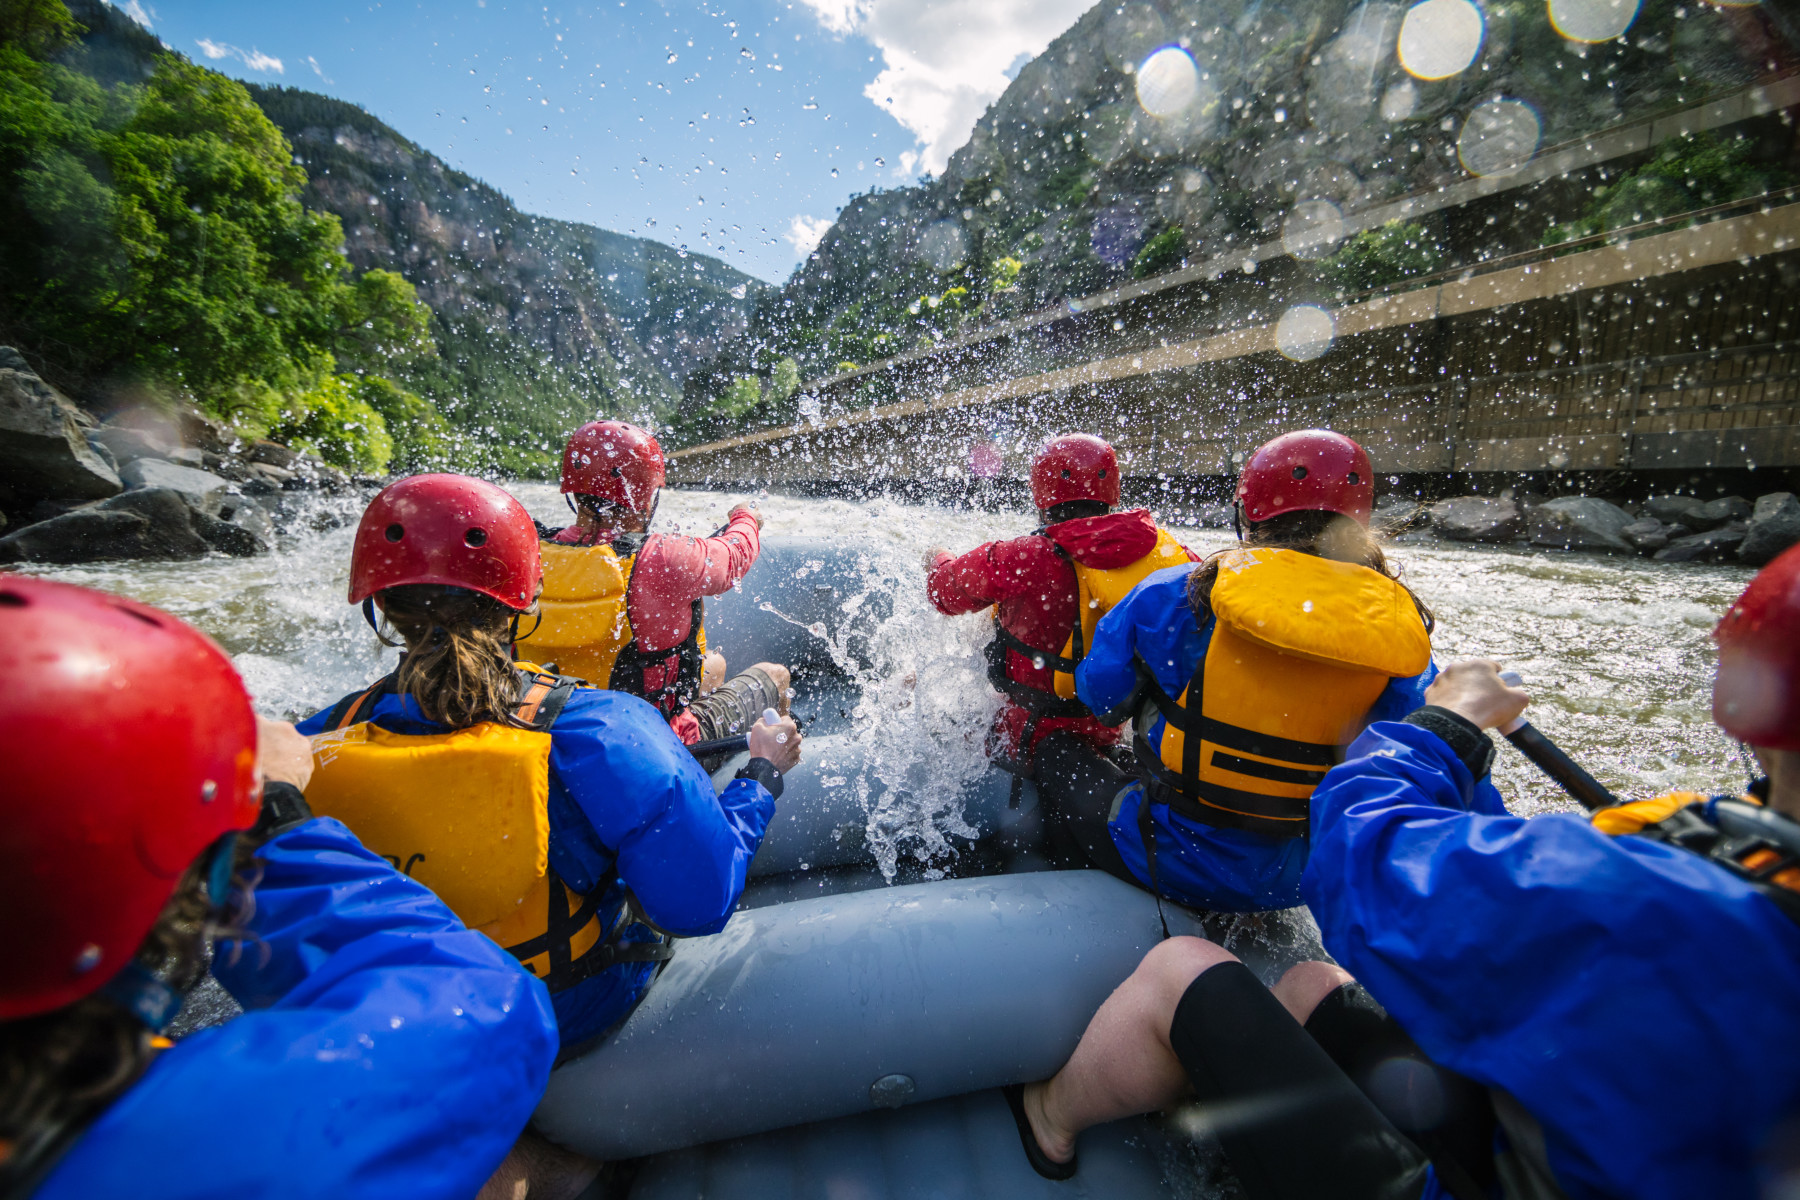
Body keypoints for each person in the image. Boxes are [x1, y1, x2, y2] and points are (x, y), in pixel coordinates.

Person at [1008, 545, 1800, 1200]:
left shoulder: (1667, 895)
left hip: (1485, 1177)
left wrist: (1449, 727)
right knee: (1312, 986)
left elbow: (1364, 861)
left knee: (1185, 969)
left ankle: (1048, 1122)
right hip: (1566, 1156)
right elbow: (1481, 829)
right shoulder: (1396, 656)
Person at [0, 575, 561, 1200]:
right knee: (526, 1171)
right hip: (564, 1021)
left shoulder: (342, 720)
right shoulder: (201, 1134)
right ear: (520, 600)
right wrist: (275, 819)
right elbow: (492, 1004)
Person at [299, 472, 801, 1060]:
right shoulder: (608, 731)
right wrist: (760, 779)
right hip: (561, 1007)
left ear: (380, 602)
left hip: (380, 1017)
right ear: (524, 597)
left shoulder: (315, 739)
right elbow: (700, 903)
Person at [1053, 429, 1436, 913]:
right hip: (1301, 876)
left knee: (1056, 751)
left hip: (1170, 856)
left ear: (1247, 514)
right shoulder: (1398, 629)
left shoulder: (1174, 593)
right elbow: (1419, 762)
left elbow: (1100, 698)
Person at [924, 433, 1195, 785]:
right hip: (1111, 731)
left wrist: (937, 557)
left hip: (1028, 739)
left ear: (1040, 494)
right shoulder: (1173, 557)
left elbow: (943, 593)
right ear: (1111, 493)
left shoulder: (1020, 558)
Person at [518, 419, 792, 751]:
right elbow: (733, 556)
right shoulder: (663, 557)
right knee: (775, 675)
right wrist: (746, 517)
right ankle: (775, 757)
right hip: (649, 747)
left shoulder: (528, 550)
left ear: (574, 489)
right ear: (648, 496)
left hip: (549, 731)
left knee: (715, 665)